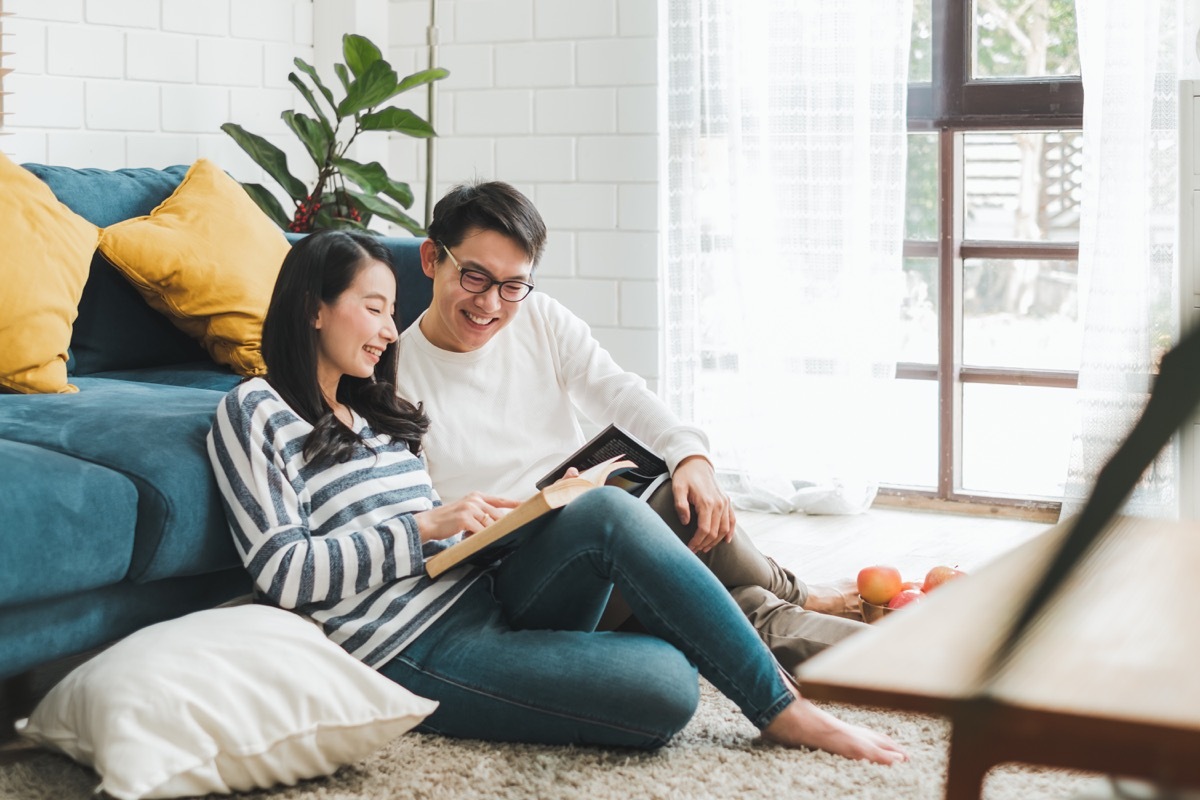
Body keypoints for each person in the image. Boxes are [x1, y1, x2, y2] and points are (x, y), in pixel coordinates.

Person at [206, 230, 906, 764]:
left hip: (478, 595)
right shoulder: (255, 410)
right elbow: (283, 573)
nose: (390, 330)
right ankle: (805, 635)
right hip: (412, 648)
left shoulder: (379, 410)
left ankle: (783, 709)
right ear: (313, 310)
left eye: (393, 312)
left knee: (605, 508)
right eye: (375, 309)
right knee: (668, 689)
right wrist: (424, 526)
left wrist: (493, 525)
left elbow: (438, 542)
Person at [394, 181, 866, 677]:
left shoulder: (538, 317)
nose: (491, 304)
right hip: (516, 581)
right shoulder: (395, 381)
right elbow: (427, 532)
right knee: (664, 509)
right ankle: (805, 592)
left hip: (596, 538)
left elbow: (618, 392)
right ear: (431, 259)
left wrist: (691, 457)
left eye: (513, 285)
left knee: (736, 601)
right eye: (474, 278)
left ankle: (925, 661)